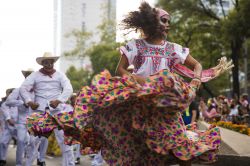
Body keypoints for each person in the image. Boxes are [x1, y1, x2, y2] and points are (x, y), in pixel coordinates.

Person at [26, 2, 233, 166]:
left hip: (165, 106)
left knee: (182, 146)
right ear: (151, 23)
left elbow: (197, 65)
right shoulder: (135, 46)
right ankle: (51, 122)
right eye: (164, 20)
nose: (168, 25)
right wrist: (144, 82)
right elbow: (121, 70)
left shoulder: (174, 49)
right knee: (133, 146)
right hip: (139, 102)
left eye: (169, 21)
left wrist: (195, 83)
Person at [20, 52, 75, 166]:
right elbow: (23, 88)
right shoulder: (35, 75)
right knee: (33, 142)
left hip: (57, 112)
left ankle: (70, 164)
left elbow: (68, 89)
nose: (48, 63)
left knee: (65, 141)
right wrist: (29, 102)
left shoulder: (60, 75)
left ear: (53, 62)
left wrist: (59, 100)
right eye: (45, 62)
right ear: (42, 63)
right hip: (39, 111)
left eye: (50, 61)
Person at [0, 88, 17, 166]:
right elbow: (2, 116)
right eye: (9, 94)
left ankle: (36, 156)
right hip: (7, 127)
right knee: (3, 142)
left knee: (27, 142)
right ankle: (2, 159)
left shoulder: (19, 103)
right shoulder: (4, 104)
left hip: (18, 127)